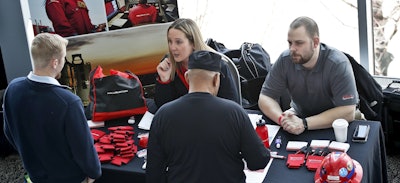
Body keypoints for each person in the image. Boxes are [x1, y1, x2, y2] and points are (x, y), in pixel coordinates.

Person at [146, 50, 270, 183]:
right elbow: (258, 161)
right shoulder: (235, 112)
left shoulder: (163, 115)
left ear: (187, 77)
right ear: (217, 79)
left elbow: (154, 174)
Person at [3, 33, 101, 183]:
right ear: (55, 63)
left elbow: (9, 132)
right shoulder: (69, 102)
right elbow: (83, 150)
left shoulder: (13, 88)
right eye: (63, 57)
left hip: (35, 175)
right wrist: (94, 173)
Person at [258, 16, 359, 135]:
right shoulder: (285, 60)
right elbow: (265, 98)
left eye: (299, 43)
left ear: (315, 42)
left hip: (336, 121)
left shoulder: (337, 63)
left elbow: (348, 111)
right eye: (290, 43)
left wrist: (304, 123)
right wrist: (283, 120)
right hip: (300, 116)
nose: (292, 49)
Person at [154, 18, 240, 111]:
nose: (173, 48)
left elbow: (232, 106)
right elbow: (162, 109)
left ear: (193, 43)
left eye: (178, 42)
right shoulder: (168, 64)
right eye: (170, 42)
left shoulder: (217, 65)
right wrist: (164, 81)